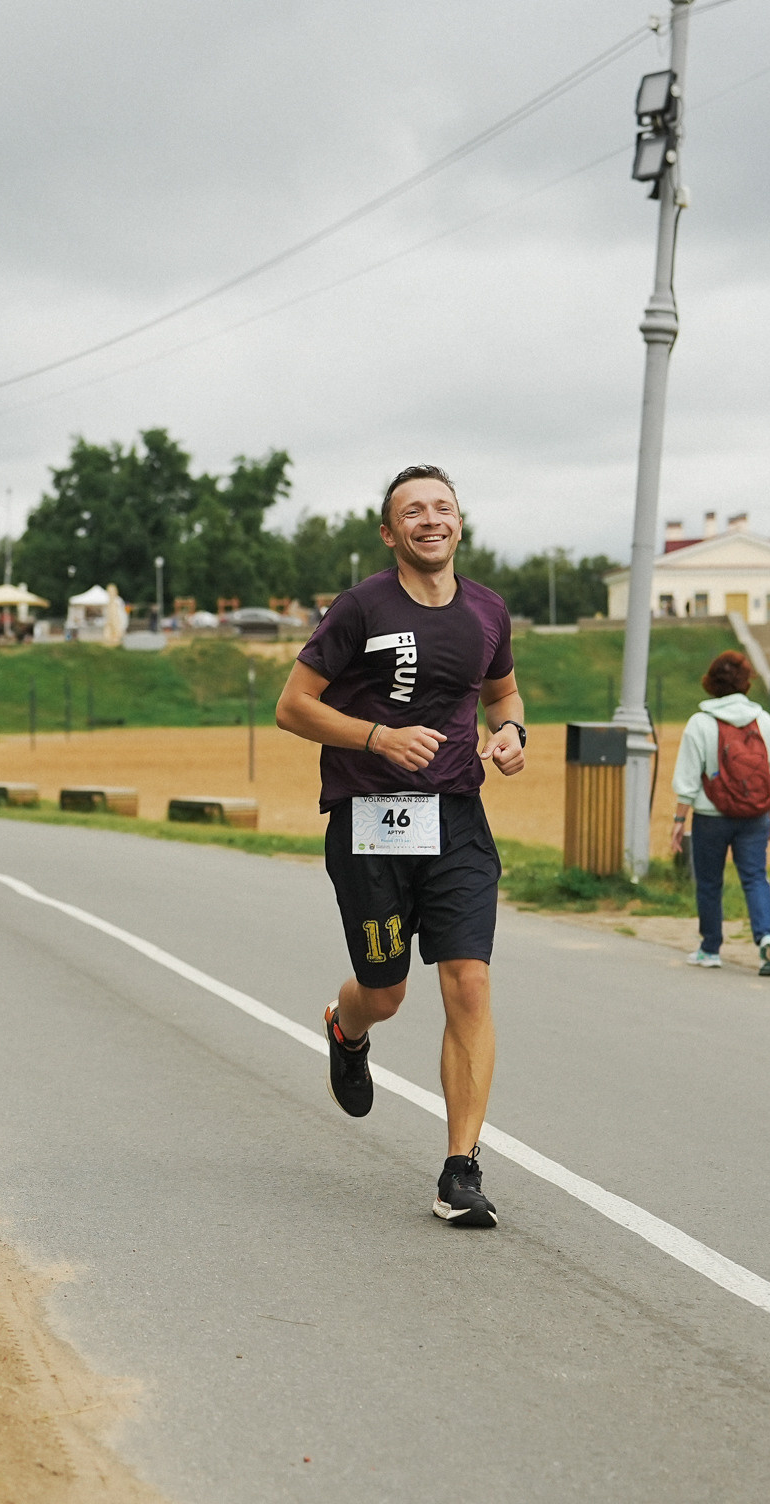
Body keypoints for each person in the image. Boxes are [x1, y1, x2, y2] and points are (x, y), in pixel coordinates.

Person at [277, 464, 525, 1229]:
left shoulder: (487, 610)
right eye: (412, 511)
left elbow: (502, 692)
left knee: (469, 984)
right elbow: (292, 708)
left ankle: (461, 1169)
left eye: (442, 507)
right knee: (384, 991)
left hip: (455, 819)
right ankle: (346, 1028)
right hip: (369, 822)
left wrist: (511, 731)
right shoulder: (360, 609)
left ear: (459, 522)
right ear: (391, 533)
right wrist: (378, 736)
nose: (430, 519)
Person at [667, 650, 770, 975]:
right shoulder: (765, 722)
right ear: (746, 683)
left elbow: (688, 780)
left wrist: (679, 820)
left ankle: (710, 948)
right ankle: (765, 938)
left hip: (711, 816)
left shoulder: (700, 722)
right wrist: (769, 812)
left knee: (709, 882)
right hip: (754, 817)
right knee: (755, 877)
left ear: (711, 683)